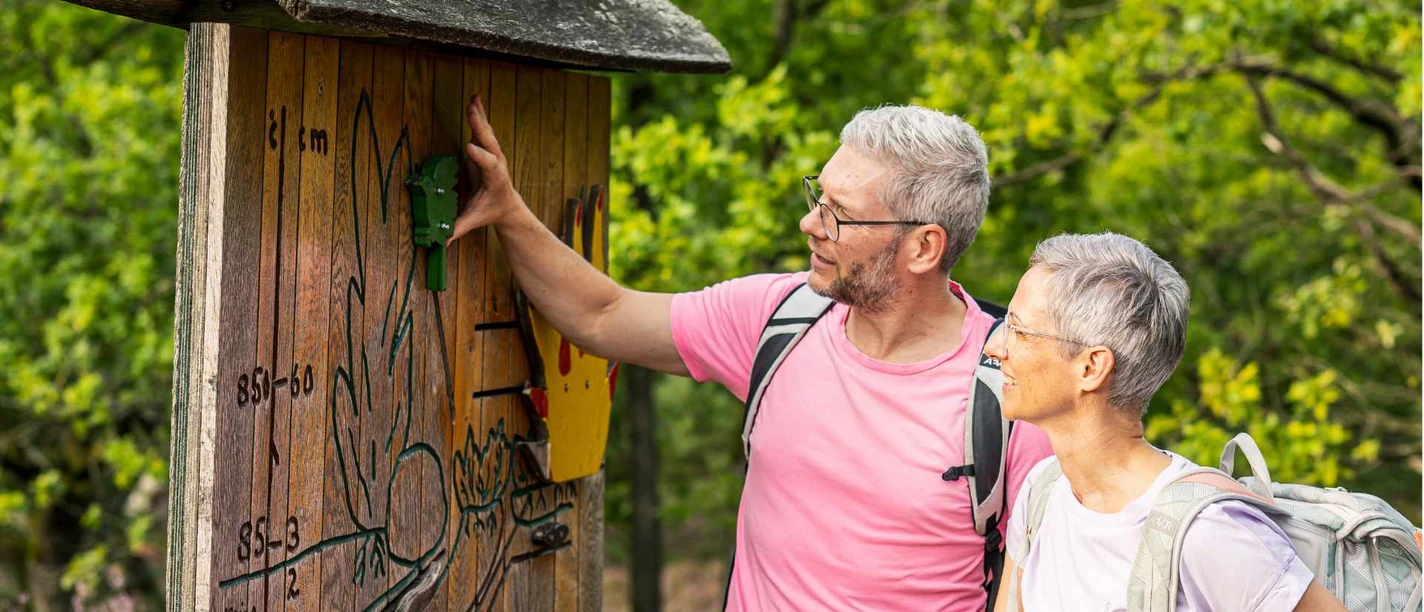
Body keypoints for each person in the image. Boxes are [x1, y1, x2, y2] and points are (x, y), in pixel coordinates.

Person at [453, 95, 1052, 611]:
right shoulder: (779, 318)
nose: (809, 223)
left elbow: (1047, 585)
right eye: (818, 196)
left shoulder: (1015, 395)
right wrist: (509, 211)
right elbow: (602, 315)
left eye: (840, 215)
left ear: (923, 247)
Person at [987, 233, 1345, 611]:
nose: (995, 347)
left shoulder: (1208, 529)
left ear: (1091, 367)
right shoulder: (1042, 492)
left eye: (1019, 331)